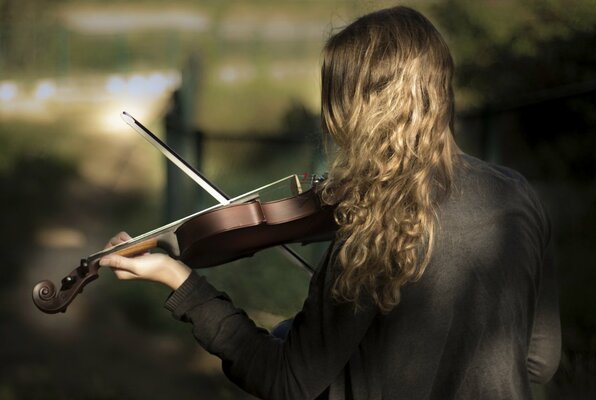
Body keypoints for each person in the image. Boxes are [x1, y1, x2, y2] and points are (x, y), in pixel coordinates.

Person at [99, 6, 561, 400]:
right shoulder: (517, 195)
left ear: (352, 110)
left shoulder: (377, 231)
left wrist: (181, 282)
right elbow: (539, 360)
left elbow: (288, 382)